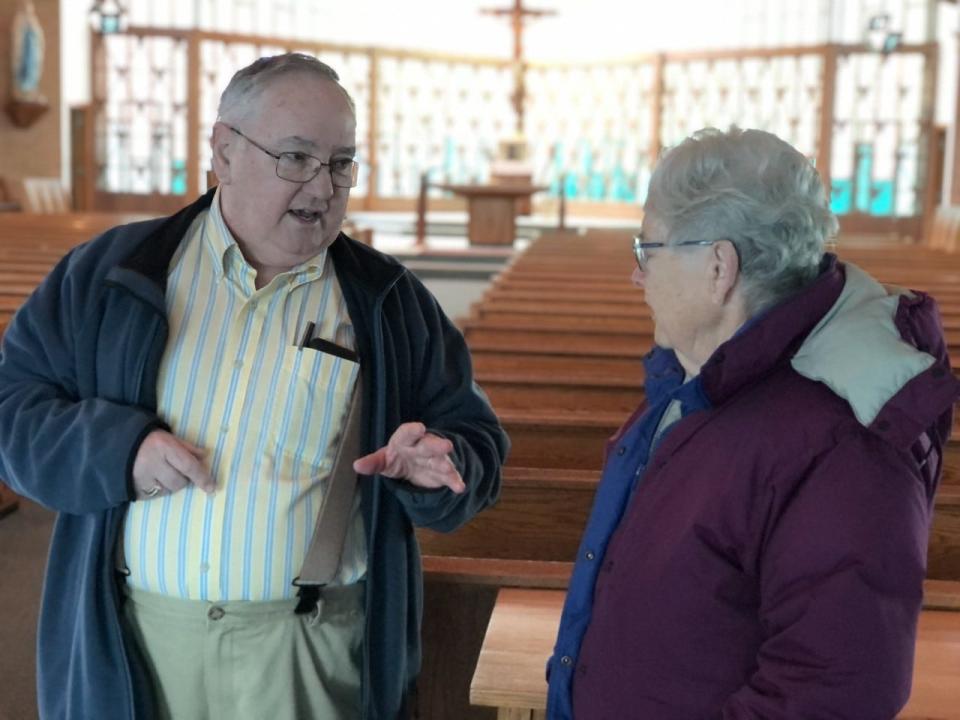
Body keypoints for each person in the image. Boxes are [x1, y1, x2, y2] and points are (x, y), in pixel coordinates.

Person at [0, 53, 508, 720]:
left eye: (341, 163)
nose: (322, 187)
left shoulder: (389, 303)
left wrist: (439, 462)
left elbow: (474, 444)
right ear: (224, 152)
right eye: (296, 157)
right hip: (132, 644)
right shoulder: (110, 274)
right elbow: (14, 408)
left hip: (306, 655)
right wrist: (120, 453)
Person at [546, 127, 960, 719]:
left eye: (648, 249)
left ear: (719, 266)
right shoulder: (699, 380)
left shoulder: (841, 445)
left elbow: (833, 693)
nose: (637, 276)